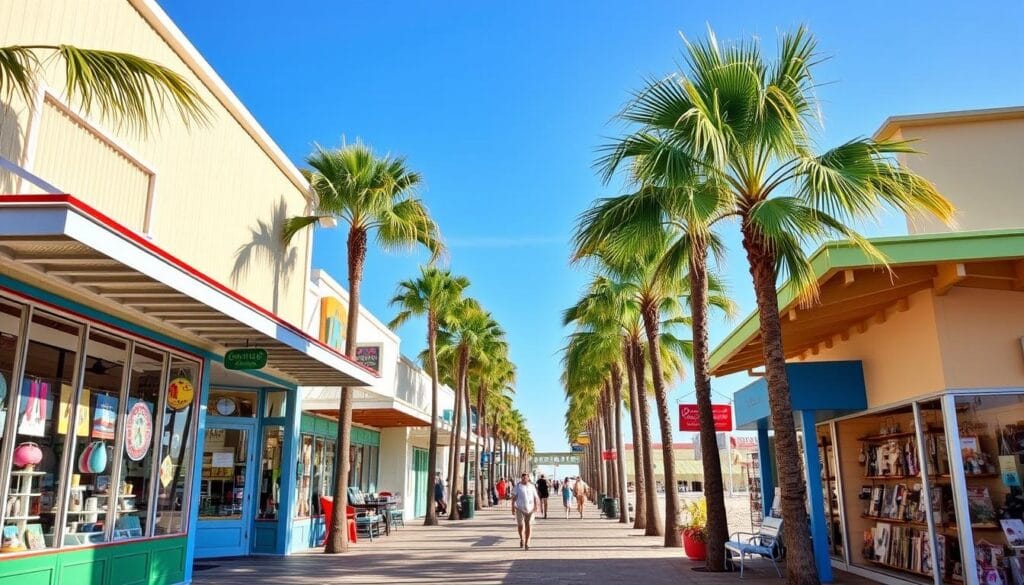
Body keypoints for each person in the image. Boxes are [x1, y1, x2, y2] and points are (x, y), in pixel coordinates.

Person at [511, 473, 539, 550]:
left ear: (528, 478)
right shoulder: (517, 487)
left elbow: (535, 497)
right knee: (521, 525)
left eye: (525, 478)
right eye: (523, 478)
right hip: (520, 508)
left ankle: (527, 542)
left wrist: (536, 506)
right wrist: (512, 508)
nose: (524, 480)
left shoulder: (532, 487)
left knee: (529, 525)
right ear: (521, 478)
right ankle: (522, 538)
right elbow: (513, 498)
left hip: (530, 509)